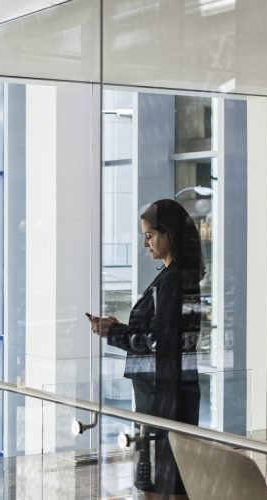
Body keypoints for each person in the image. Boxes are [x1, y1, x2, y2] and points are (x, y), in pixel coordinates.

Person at [89, 199, 203, 500]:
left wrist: (114, 332)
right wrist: (119, 329)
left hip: (163, 396)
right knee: (159, 477)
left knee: (159, 481)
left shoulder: (175, 279)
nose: (145, 243)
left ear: (169, 235)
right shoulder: (173, 276)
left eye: (150, 235)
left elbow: (160, 342)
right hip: (161, 392)